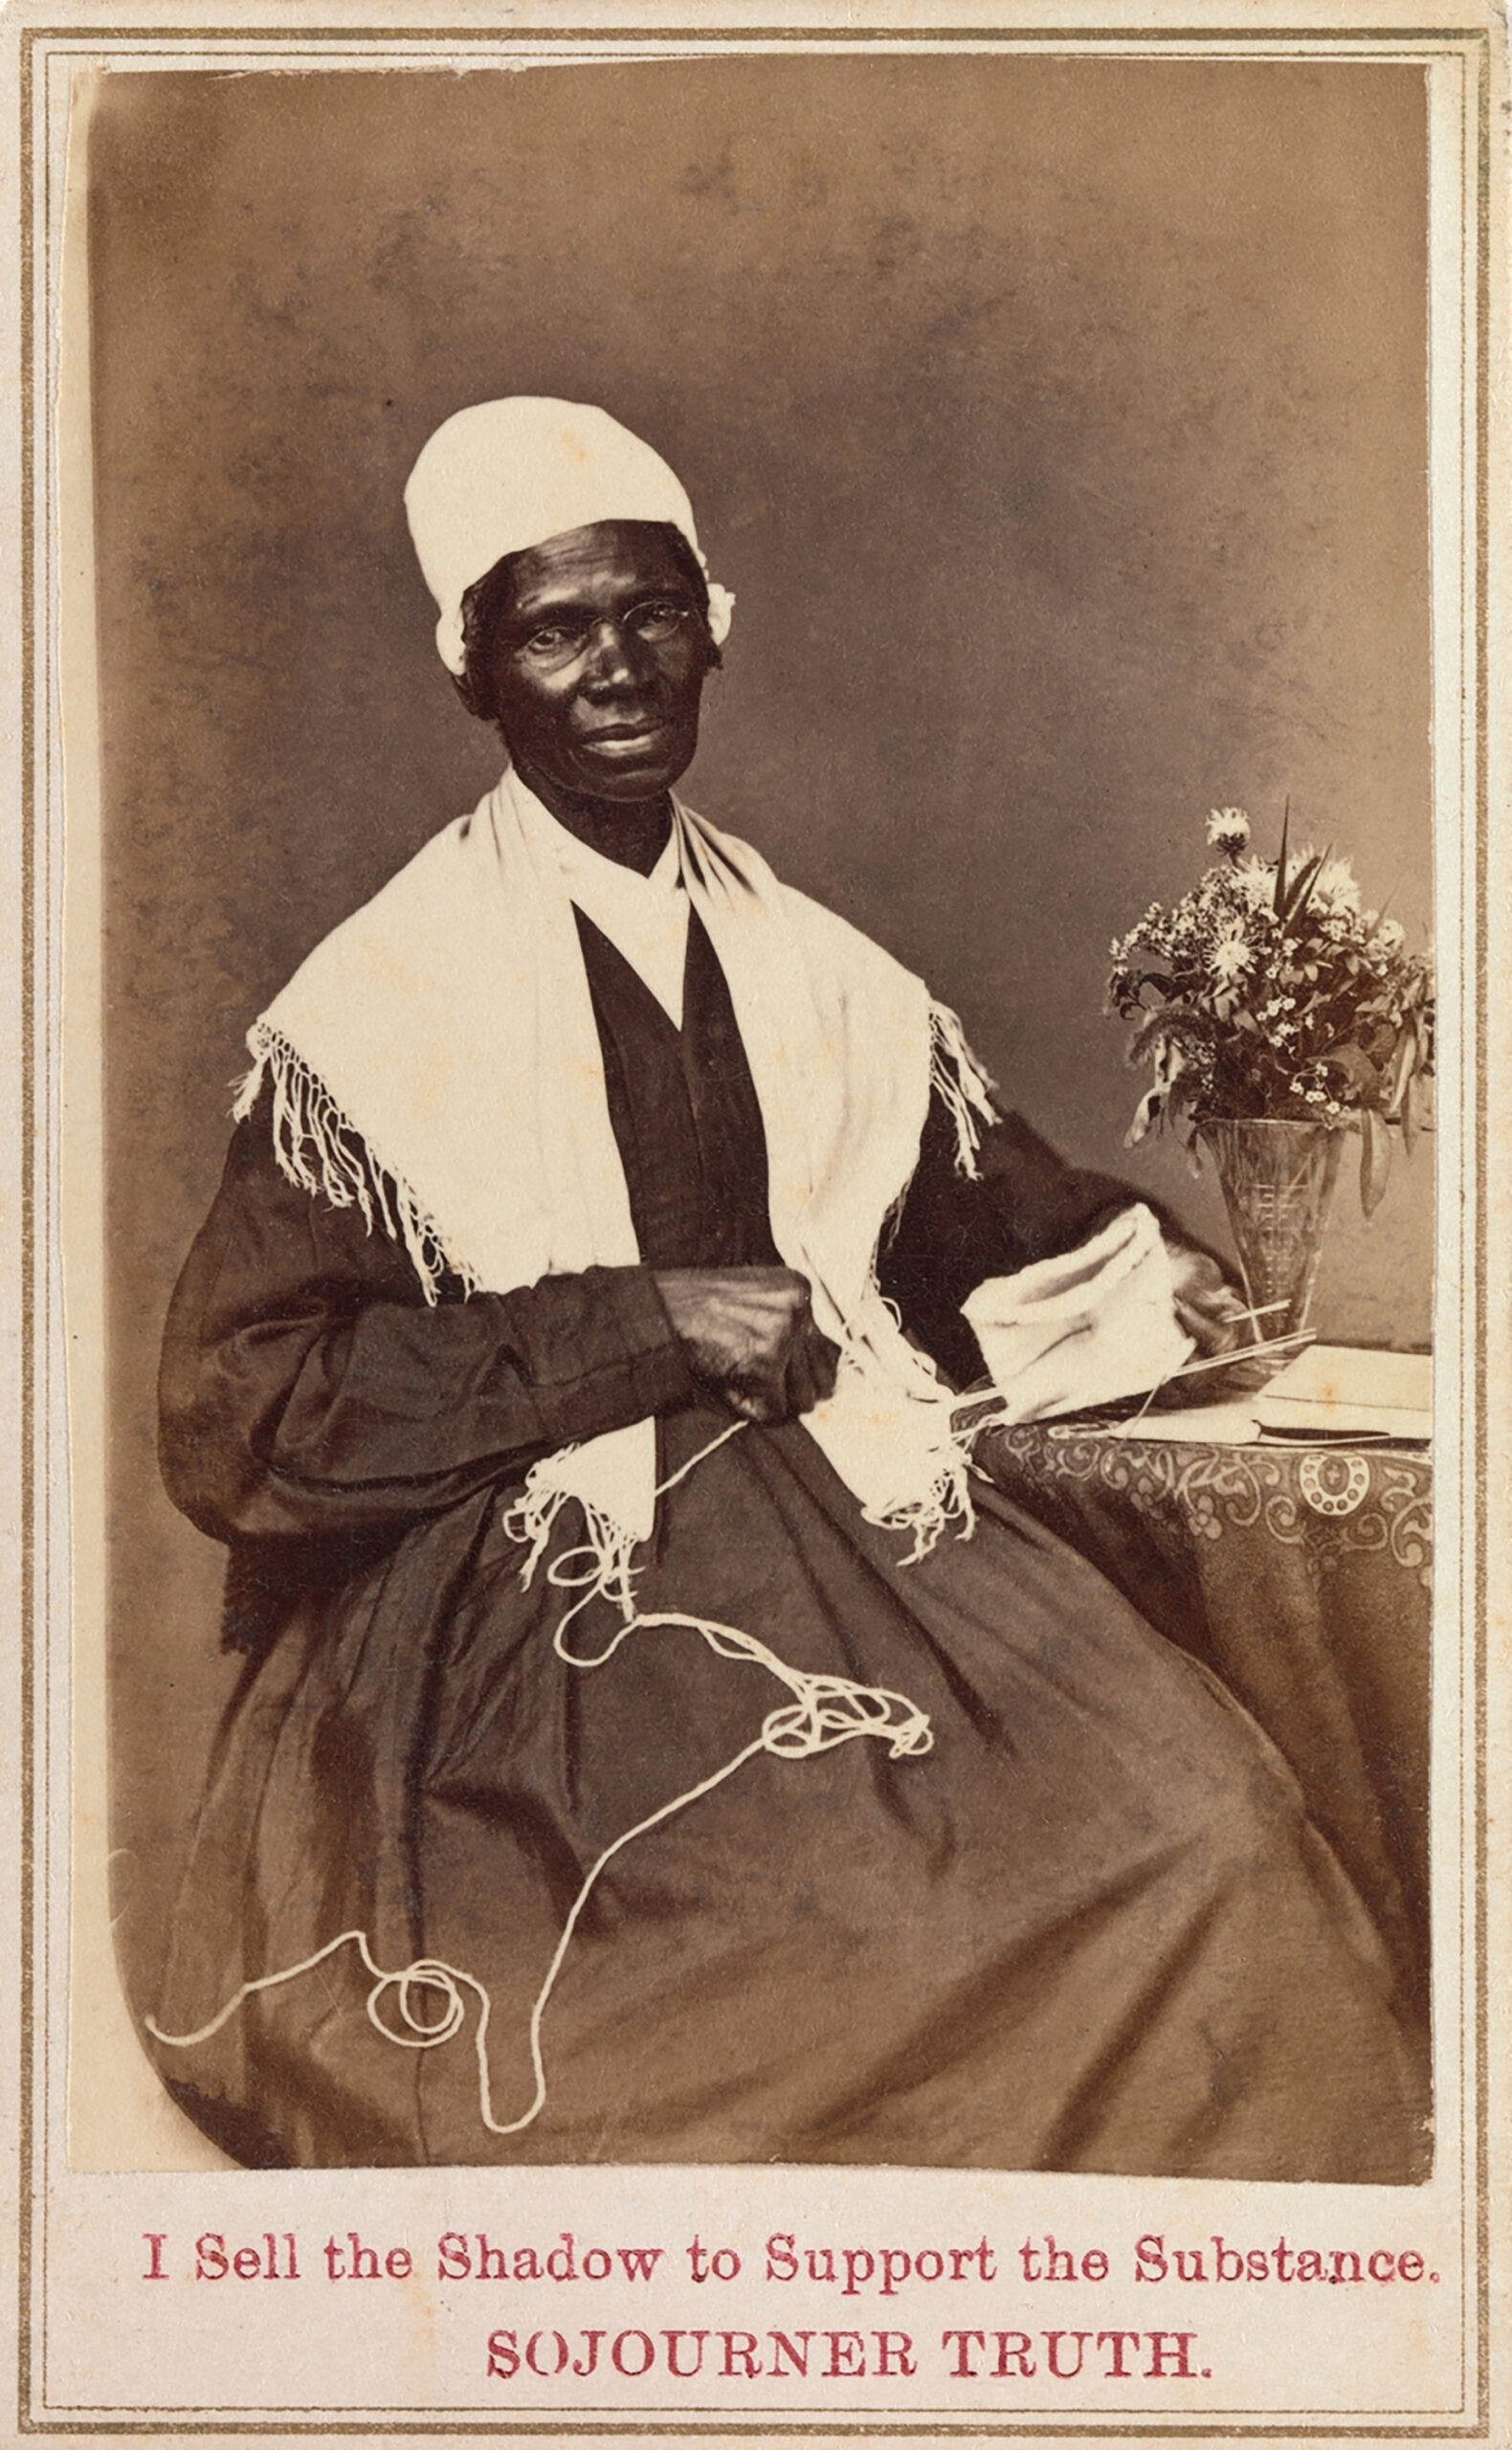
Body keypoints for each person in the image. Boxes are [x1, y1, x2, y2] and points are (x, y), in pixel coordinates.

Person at [148, 398, 1430, 2177]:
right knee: (787, 1970)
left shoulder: (817, 966)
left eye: (653, 613)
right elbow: (246, 1411)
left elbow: (979, 1216)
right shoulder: (379, 1008)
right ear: (475, 672)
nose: (617, 667)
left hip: (862, 1515)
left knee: (1208, 1843)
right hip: (534, 1597)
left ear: (714, 629)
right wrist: (645, 1320)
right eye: (555, 630)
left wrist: (1153, 1263)